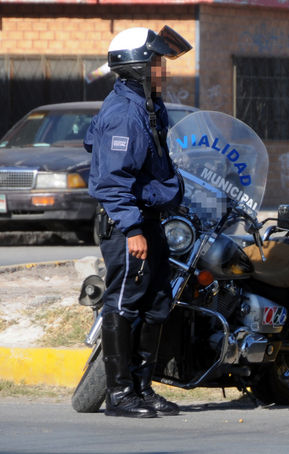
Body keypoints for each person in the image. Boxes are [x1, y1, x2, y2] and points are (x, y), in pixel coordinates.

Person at [83, 26, 192, 418]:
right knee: (125, 303)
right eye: (157, 63)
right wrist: (131, 228)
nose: (164, 70)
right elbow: (112, 180)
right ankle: (119, 393)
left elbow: (92, 142)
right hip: (128, 224)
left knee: (157, 301)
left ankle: (143, 389)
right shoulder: (126, 113)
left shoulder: (146, 105)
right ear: (137, 67)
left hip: (150, 219)